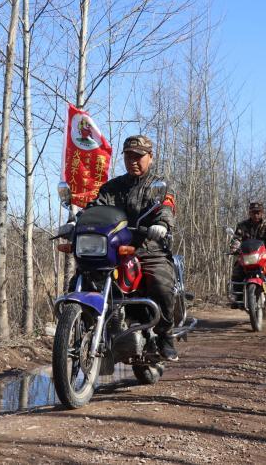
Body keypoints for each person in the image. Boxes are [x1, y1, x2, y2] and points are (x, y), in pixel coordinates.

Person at [87, 134, 179, 361]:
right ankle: (84, 326)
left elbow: (166, 207)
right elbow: (96, 207)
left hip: (148, 247)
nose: (133, 161)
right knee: (85, 275)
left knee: (161, 283)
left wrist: (162, 224)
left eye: (139, 156)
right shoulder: (112, 187)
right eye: (128, 156)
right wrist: (77, 221)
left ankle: (165, 334)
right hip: (114, 248)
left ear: (150, 157)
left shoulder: (159, 185)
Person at [229, 202, 266, 307]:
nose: (256, 215)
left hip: (263, 255)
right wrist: (234, 247)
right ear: (249, 213)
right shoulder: (242, 225)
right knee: (237, 270)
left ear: (262, 213)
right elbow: (237, 238)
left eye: (258, 212)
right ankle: (238, 296)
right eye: (253, 212)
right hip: (246, 256)